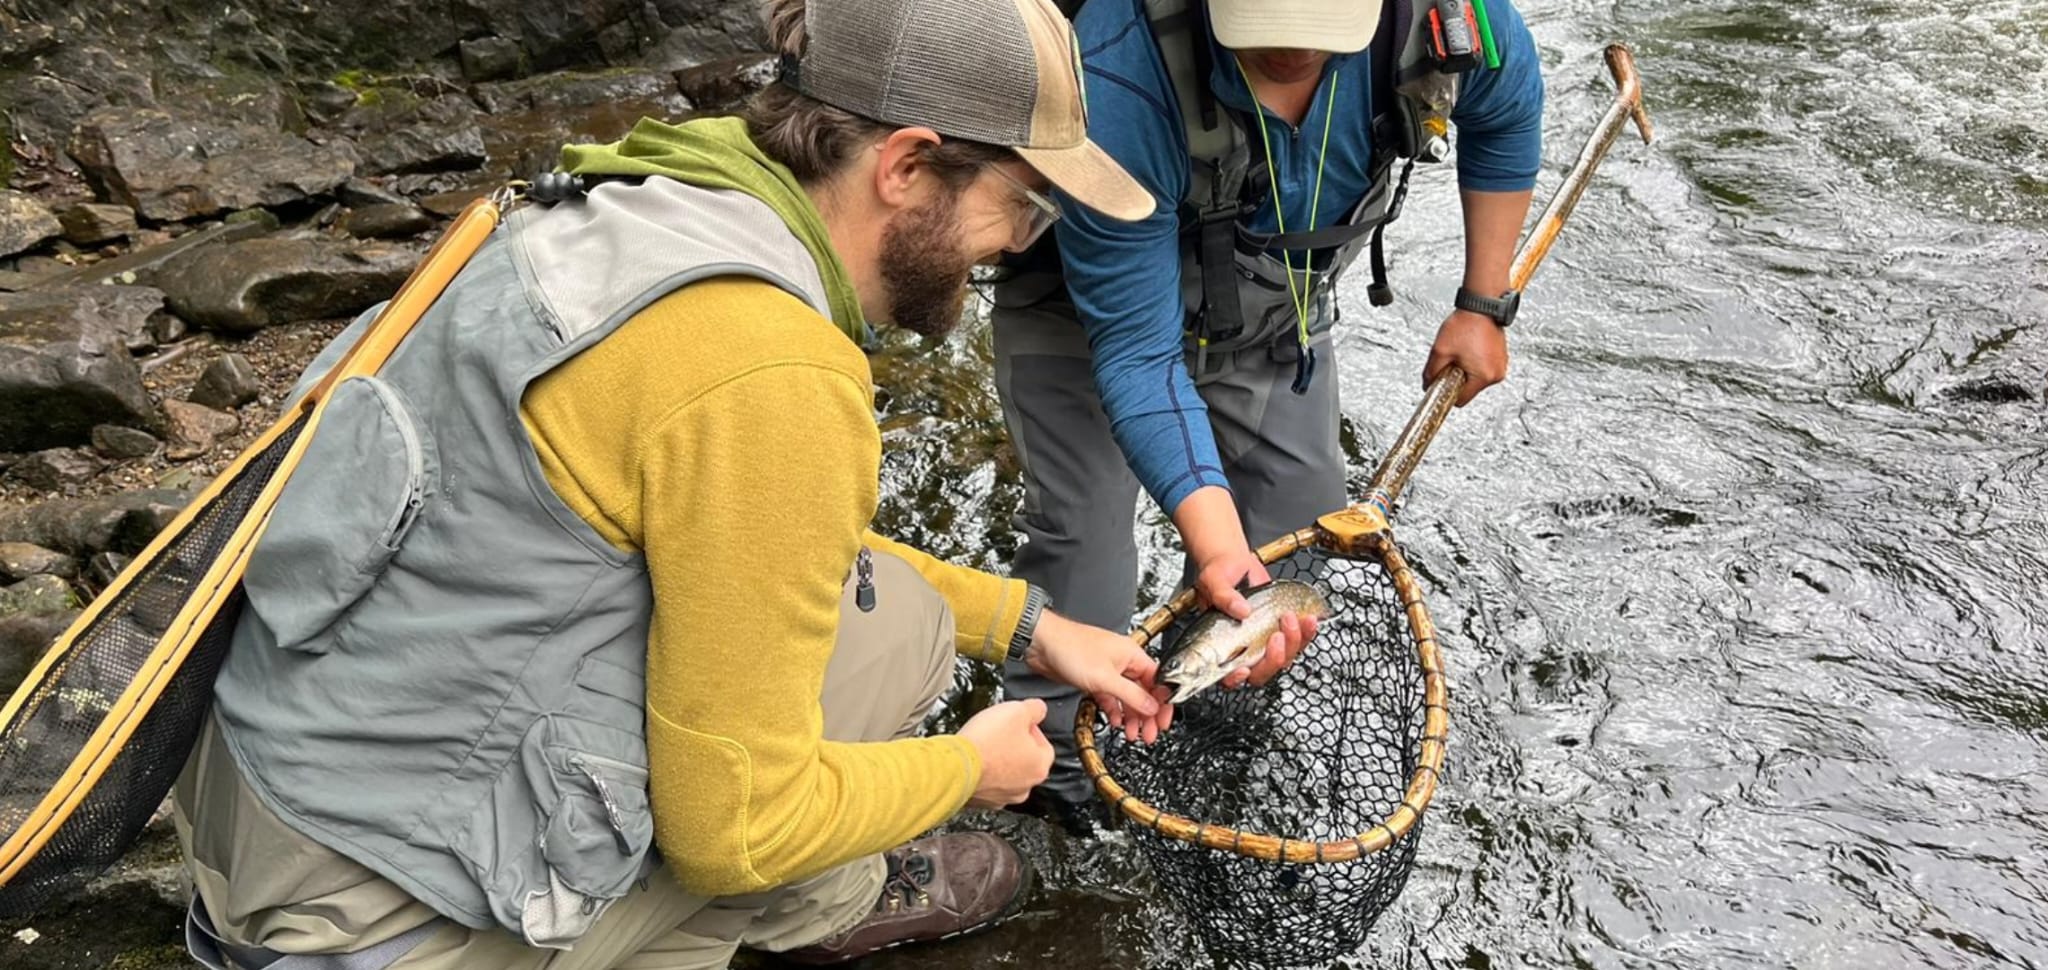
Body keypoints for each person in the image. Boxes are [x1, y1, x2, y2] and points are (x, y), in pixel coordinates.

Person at [170, 0, 1278, 967]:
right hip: (370, 925)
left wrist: (1034, 629)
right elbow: (734, 832)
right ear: (904, 166)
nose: (1015, 246)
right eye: (1023, 205)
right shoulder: (771, 371)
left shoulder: (634, 199)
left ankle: (803, 892)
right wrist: (960, 769)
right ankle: (804, 905)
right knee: (789, 786)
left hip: (269, 817)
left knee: (892, 620)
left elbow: (762, 540)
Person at [993, 0, 1545, 830]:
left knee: (1293, 552)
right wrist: (1220, 549)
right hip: (1083, 316)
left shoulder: (1451, 20)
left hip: (1274, 311)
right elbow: (1138, 360)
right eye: (1265, 26)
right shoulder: (1114, 71)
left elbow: (1506, 113)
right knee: (1084, 550)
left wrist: (1482, 303)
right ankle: (1045, 786)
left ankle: (1196, 742)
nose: (1290, 50)